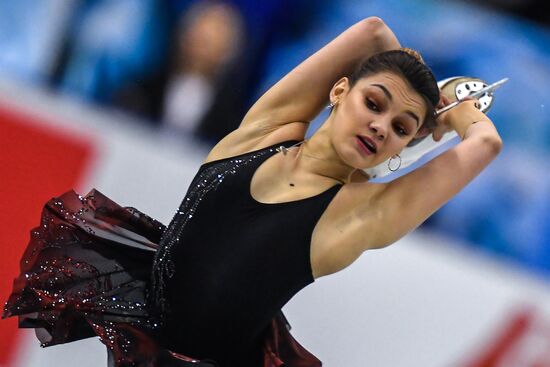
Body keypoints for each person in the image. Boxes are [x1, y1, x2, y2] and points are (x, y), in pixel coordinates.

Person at [2, 17, 502, 367]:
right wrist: (424, 96)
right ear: (339, 91)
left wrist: (451, 112)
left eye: (399, 128)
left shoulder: (354, 216)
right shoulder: (265, 131)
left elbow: (487, 142)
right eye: (374, 102)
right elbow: (371, 31)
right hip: (145, 316)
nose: (380, 126)